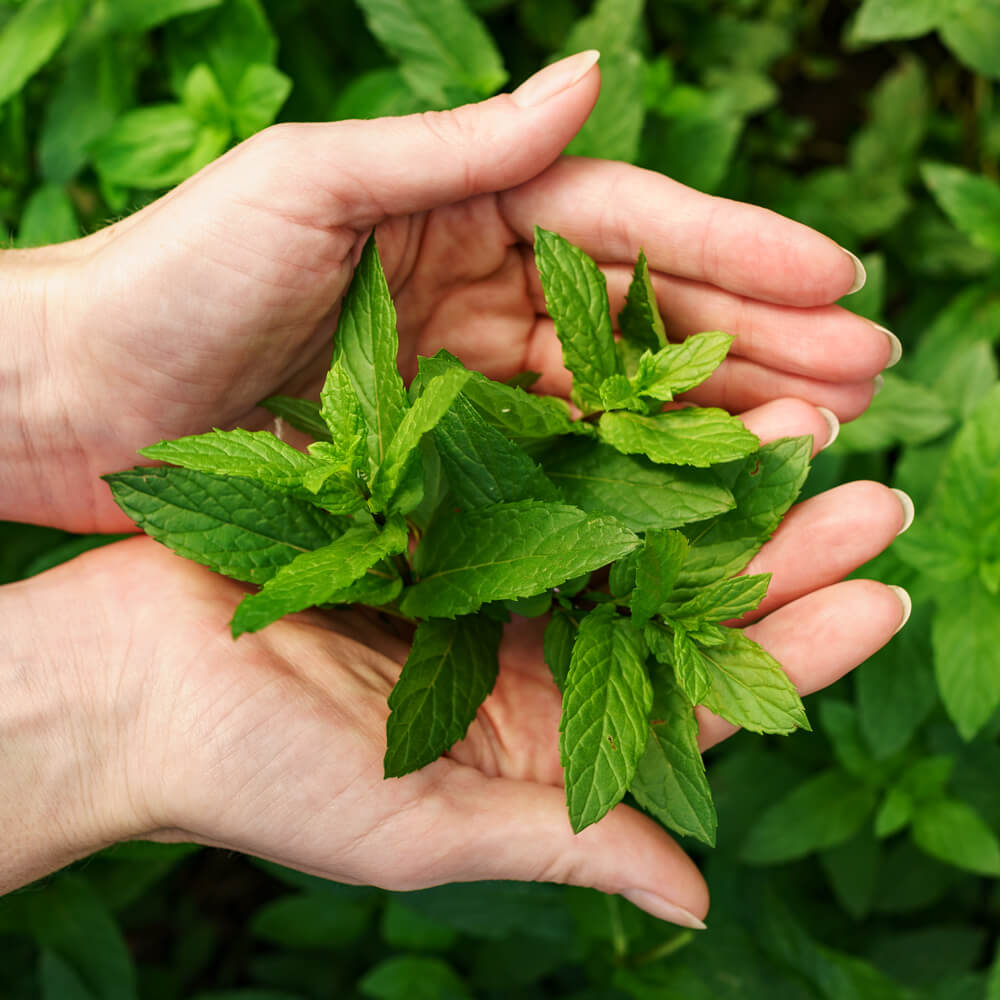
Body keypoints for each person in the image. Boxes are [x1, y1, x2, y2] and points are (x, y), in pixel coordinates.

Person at [0, 52, 911, 928]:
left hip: (543, 546)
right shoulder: (390, 450)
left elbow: (553, 516)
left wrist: (56, 368)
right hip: (459, 529)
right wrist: (56, 370)